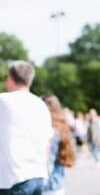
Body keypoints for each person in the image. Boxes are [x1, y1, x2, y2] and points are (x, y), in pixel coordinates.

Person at [0, 60, 53, 194]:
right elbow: (47, 143)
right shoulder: (41, 105)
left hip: (14, 178)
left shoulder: (4, 101)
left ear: (10, 79)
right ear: (29, 80)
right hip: (38, 175)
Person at [42, 95, 75, 195]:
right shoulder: (62, 128)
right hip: (59, 186)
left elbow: (47, 163)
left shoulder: (51, 131)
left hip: (47, 187)